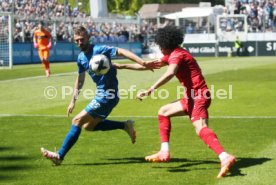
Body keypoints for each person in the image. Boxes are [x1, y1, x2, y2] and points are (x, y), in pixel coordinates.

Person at [115, 26, 236, 178]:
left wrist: (150, 89)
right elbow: (148, 65)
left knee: (200, 128)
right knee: (163, 112)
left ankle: (224, 157)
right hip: (191, 97)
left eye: (160, 46)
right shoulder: (175, 53)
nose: (160, 49)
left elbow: (171, 72)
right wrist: (122, 66)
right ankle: (164, 152)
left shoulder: (177, 56)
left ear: (165, 44)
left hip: (198, 96)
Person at [40, 26, 152, 165]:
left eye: (82, 39)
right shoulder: (81, 58)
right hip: (103, 96)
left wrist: (142, 62)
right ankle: (125, 125)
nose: (79, 43)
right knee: (88, 126)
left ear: (88, 37)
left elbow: (121, 51)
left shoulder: (99, 50)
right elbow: (80, 80)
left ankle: (60, 156)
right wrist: (72, 101)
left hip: (107, 96)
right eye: (77, 41)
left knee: (77, 121)